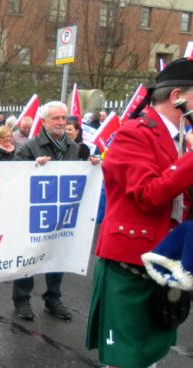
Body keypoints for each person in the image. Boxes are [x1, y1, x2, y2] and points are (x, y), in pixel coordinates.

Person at [86, 57, 193, 367]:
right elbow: (149, 195)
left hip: (168, 263)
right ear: (178, 98)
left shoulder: (182, 139)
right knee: (125, 360)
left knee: (151, 356)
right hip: (129, 263)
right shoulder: (134, 133)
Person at [12, 101, 99, 322]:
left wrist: (91, 165)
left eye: (64, 118)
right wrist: (32, 168)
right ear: (44, 122)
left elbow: (80, 177)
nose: (61, 122)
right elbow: (12, 176)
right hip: (33, 212)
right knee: (29, 257)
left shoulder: (74, 148)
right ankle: (22, 299)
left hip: (60, 213)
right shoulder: (30, 147)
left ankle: (53, 298)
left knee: (58, 255)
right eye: (56, 118)